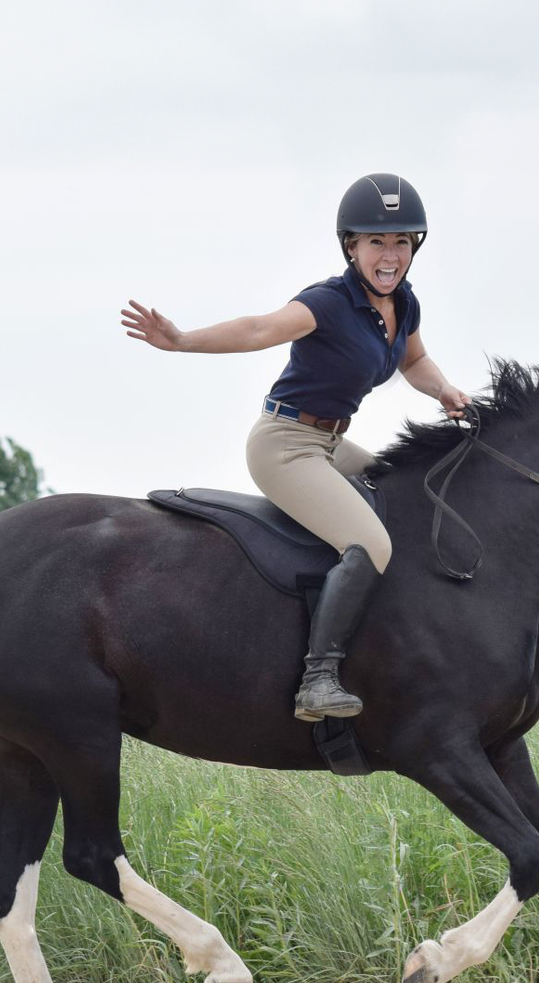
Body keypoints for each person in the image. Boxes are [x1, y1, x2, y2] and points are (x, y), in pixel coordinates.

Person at [121, 173, 469, 723]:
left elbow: (414, 361)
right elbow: (260, 328)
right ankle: (319, 679)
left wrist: (445, 388)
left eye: (402, 241)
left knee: (407, 492)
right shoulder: (327, 303)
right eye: (376, 241)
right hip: (284, 447)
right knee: (370, 543)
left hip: (329, 443)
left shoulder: (404, 303)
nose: (390, 254)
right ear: (351, 247)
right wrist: (183, 340)